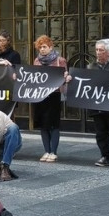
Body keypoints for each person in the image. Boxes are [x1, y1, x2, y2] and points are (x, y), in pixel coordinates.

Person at [68, 38, 109, 169]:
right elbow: (83, 82)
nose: (98, 53)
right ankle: (105, 156)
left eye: (101, 50)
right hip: (97, 106)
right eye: (97, 50)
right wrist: (71, 79)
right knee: (101, 133)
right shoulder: (91, 67)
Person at [31, 35, 67, 163]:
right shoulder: (37, 61)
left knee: (53, 124)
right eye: (40, 47)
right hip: (41, 95)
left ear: (50, 47)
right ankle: (46, 150)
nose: (42, 49)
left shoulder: (60, 60)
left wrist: (66, 77)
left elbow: (64, 76)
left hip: (54, 95)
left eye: (44, 47)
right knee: (43, 125)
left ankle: (53, 151)